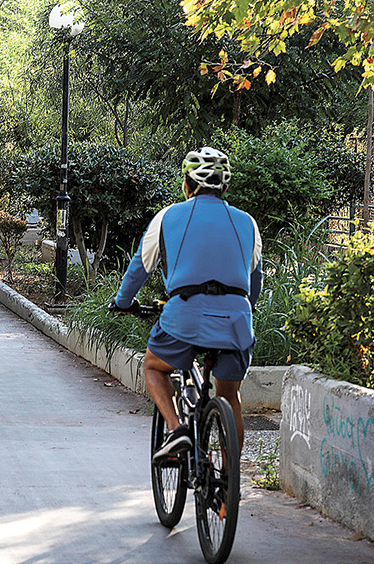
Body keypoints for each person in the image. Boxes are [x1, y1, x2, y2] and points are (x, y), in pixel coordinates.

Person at [110, 147, 262, 462]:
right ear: (225, 187)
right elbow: (254, 282)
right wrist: (245, 312)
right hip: (236, 322)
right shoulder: (247, 223)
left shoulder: (168, 217)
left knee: (153, 366)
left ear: (187, 184)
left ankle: (177, 429)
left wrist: (123, 302)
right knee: (229, 395)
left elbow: (140, 267)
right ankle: (228, 483)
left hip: (185, 317)